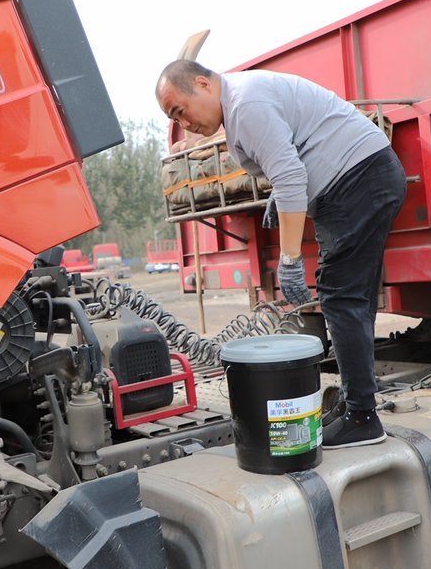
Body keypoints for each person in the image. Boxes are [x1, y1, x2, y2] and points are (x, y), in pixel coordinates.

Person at [155, 60, 406, 448]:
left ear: (202, 84)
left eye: (179, 111)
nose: (183, 123)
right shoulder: (241, 102)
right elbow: (294, 151)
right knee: (350, 299)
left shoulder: (246, 105)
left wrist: (289, 259)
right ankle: (356, 405)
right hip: (360, 179)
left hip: (357, 180)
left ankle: (362, 417)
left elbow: (291, 175)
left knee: (340, 296)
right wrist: (279, 194)